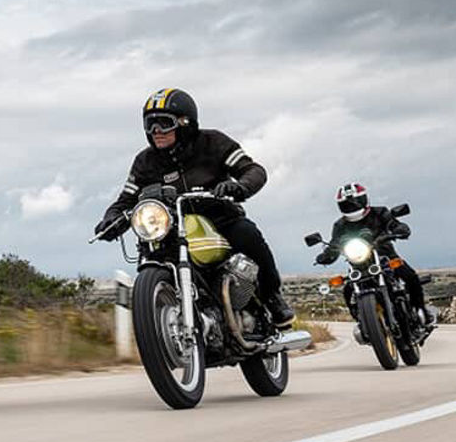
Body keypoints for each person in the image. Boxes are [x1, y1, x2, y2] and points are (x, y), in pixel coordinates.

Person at [94, 88, 295, 327]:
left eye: (164, 124)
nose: (156, 131)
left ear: (185, 123)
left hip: (220, 220)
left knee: (247, 235)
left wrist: (239, 187)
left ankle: (271, 296)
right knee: (150, 253)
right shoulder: (145, 162)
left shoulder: (213, 143)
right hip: (169, 228)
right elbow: (126, 200)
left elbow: (253, 170)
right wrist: (112, 218)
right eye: (150, 125)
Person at [314, 182, 435, 325]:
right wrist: (325, 255)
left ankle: (420, 310)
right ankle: (363, 322)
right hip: (359, 264)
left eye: (354, 203)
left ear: (364, 199)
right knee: (347, 289)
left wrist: (400, 229)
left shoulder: (379, 213)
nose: (352, 206)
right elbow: (334, 243)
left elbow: (393, 224)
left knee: (410, 276)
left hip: (385, 256)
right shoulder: (340, 226)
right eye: (347, 204)